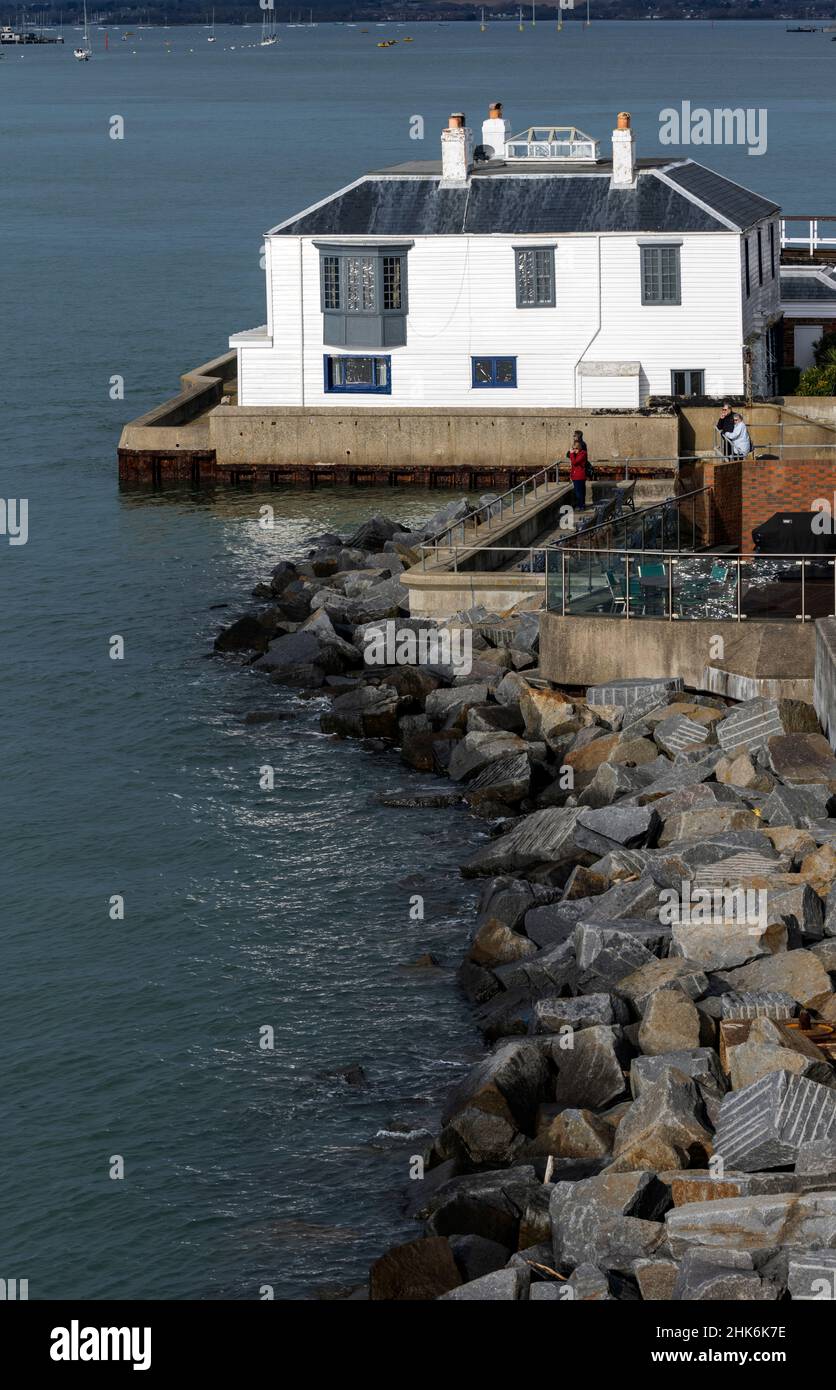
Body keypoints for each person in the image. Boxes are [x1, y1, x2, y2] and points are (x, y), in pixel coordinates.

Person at [567, 431, 589, 510]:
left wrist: (572, 454)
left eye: (576, 448)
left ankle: (581, 506)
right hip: (576, 475)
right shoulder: (577, 450)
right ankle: (581, 505)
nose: (574, 450)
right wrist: (571, 452)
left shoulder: (582, 452)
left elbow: (575, 462)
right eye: (573, 448)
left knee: (579, 492)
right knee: (580, 491)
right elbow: (567, 455)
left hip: (579, 475)